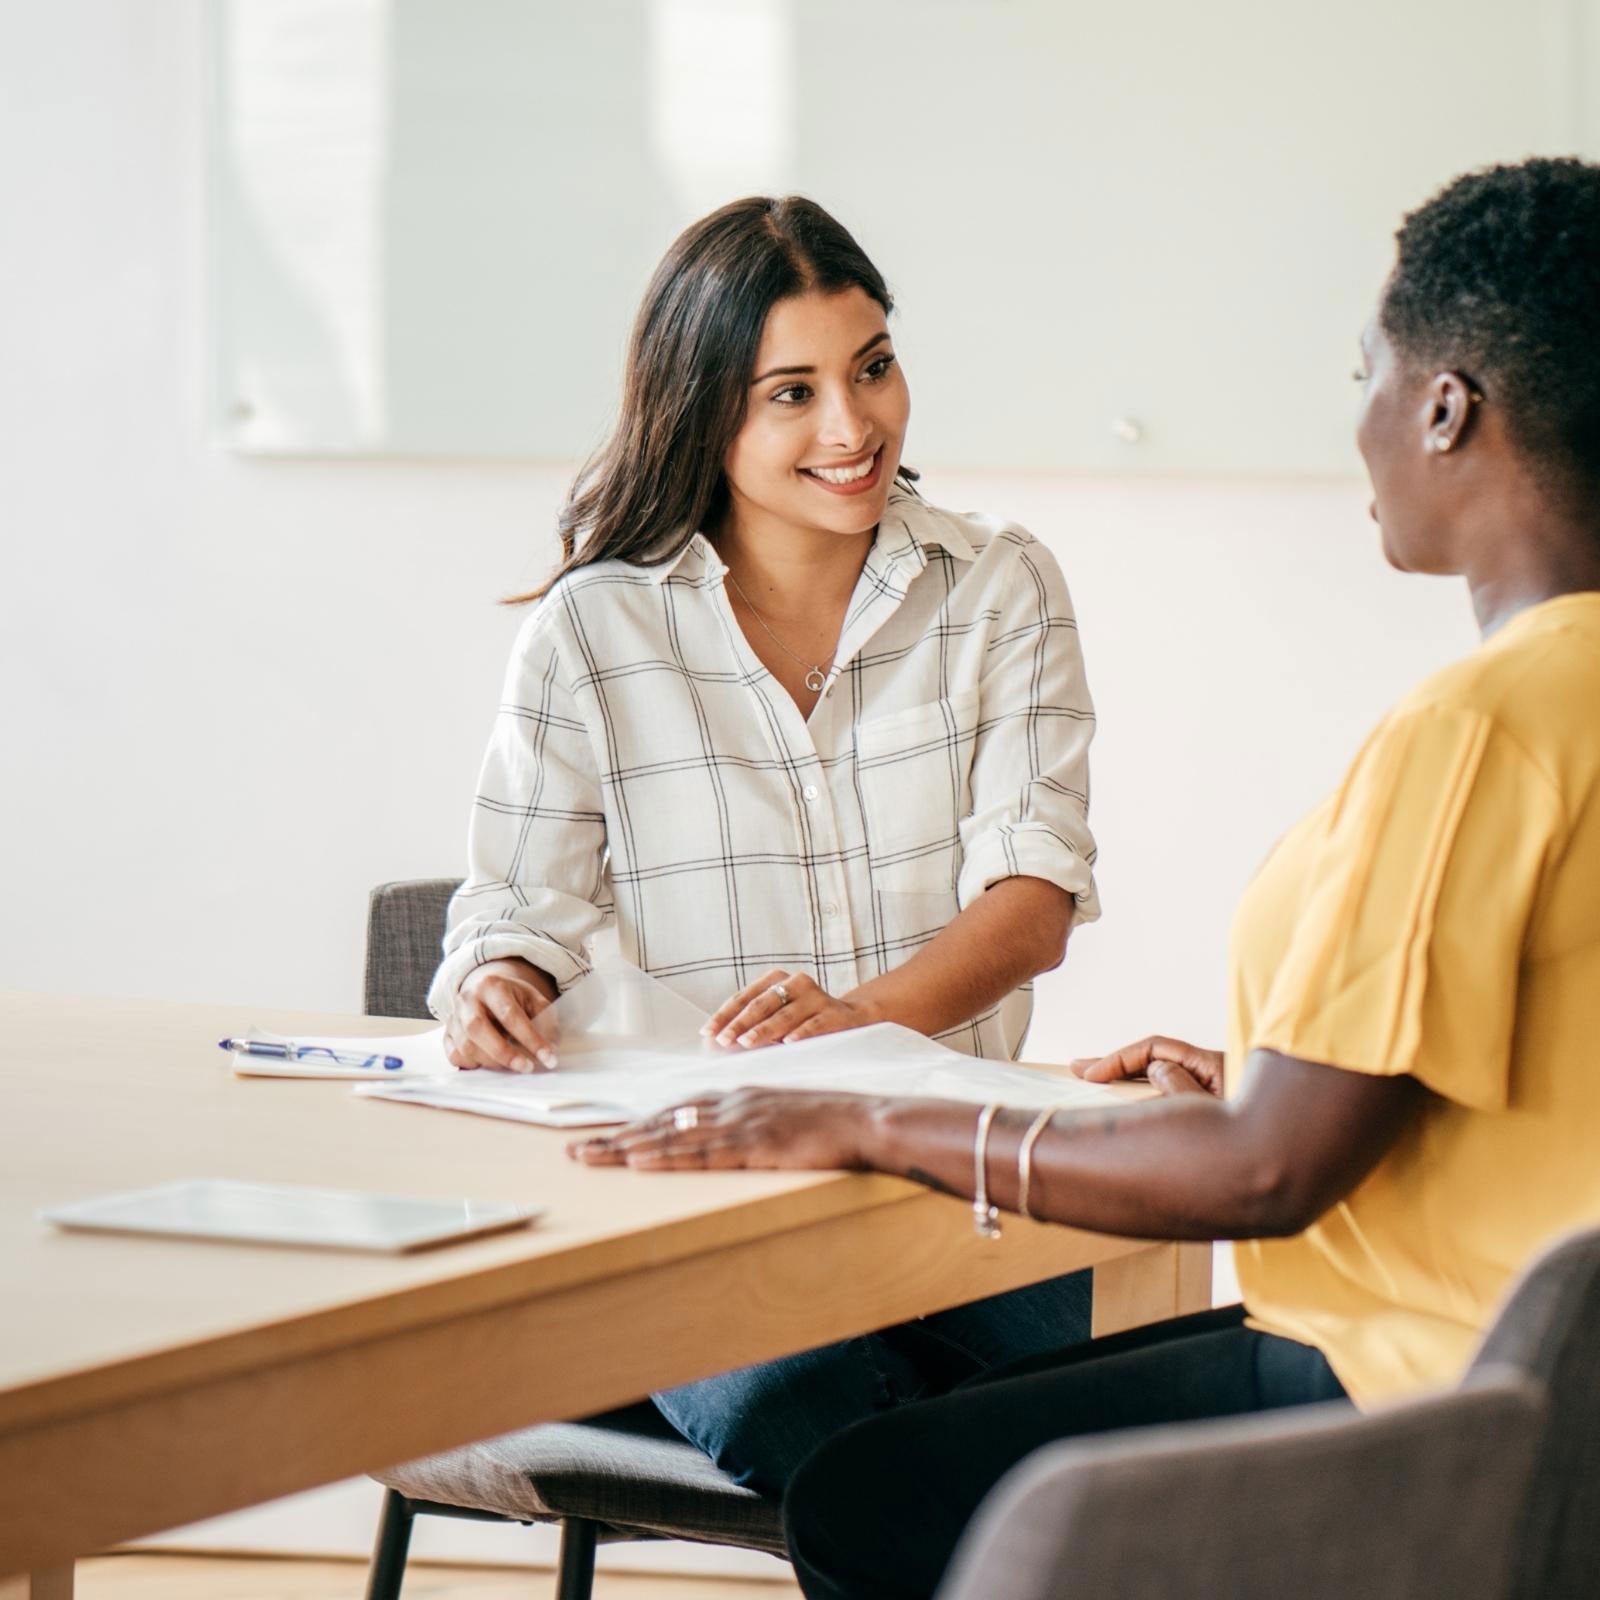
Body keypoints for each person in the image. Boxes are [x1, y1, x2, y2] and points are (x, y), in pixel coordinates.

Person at [570, 155, 1600, 1598]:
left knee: (872, 1494)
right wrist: (1262, 1072)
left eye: (1369, 369)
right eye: (789, 391)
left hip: (1423, 1393)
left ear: (1446, 409)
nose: (1354, 412)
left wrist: (863, 1115)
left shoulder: (1475, 730)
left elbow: (1267, 1174)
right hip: (1549, 1389)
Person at [431, 196, 1103, 1492]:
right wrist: (498, 985)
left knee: (1131, 1378)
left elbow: (1032, 900)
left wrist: (847, 1031)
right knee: (812, 1405)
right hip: (706, 1218)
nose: (854, 427)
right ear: (703, 412)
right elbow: (514, 905)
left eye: (872, 367)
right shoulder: (593, 632)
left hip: (960, 1201)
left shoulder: (999, 584)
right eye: (789, 393)